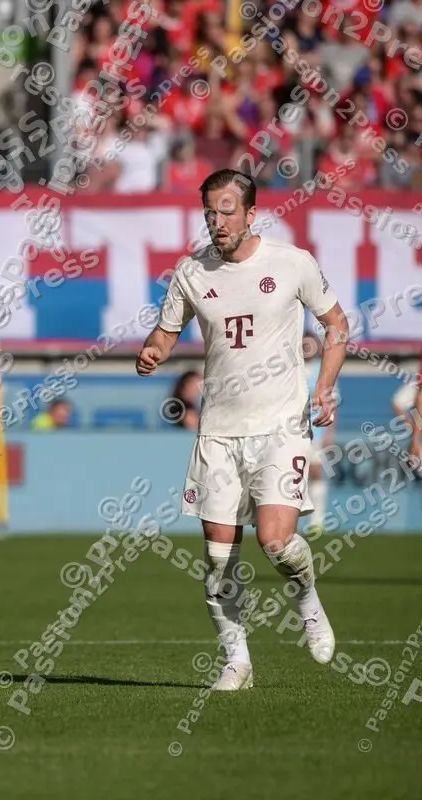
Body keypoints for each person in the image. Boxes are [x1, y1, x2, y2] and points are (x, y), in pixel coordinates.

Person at [135, 169, 350, 692]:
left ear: (251, 213)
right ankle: (238, 661)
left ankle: (308, 602)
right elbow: (164, 334)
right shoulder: (191, 272)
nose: (217, 220)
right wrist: (152, 352)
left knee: (276, 543)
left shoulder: (293, 263)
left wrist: (324, 386)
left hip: (280, 425)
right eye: (209, 211)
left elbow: (337, 326)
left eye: (227, 209)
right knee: (217, 556)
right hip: (218, 433)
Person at [303, 332, 335, 533]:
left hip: (317, 430)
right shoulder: (291, 368)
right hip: (292, 432)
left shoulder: (323, 372)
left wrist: (329, 431)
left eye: (311, 344)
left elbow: (333, 403)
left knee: (315, 472)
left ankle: (317, 521)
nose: (307, 348)